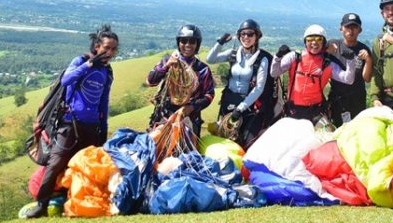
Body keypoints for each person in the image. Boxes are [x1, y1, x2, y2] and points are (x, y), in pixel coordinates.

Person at [25, 25, 118, 219]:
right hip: (69, 125)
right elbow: (67, 79)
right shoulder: (81, 61)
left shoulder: (107, 73)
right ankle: (41, 205)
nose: (110, 52)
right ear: (97, 46)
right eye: (107, 47)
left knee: (88, 167)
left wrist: (104, 129)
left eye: (114, 49)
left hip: (91, 127)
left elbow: (104, 101)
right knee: (55, 163)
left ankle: (82, 203)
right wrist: (89, 65)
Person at [206, 19, 274, 148]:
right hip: (229, 101)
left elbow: (259, 88)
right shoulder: (233, 54)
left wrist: (241, 108)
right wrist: (220, 43)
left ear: (257, 36)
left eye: (250, 34)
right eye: (243, 34)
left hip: (247, 106)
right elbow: (211, 59)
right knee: (223, 136)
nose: (246, 37)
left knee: (244, 141)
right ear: (238, 36)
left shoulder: (262, 59)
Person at [271, 24, 356, 124]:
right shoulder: (294, 57)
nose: (314, 42)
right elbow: (274, 73)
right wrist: (278, 56)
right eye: (310, 39)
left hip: (316, 113)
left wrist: (350, 61)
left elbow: (348, 79)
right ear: (305, 42)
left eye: (319, 39)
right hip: (293, 111)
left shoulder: (327, 64)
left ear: (323, 42)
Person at [146, 24, 215, 138]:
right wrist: (166, 67)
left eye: (192, 41)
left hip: (189, 118)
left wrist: (191, 107)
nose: (187, 45)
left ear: (197, 44)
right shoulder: (167, 61)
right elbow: (150, 81)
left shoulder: (202, 69)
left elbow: (209, 95)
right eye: (184, 41)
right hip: (164, 114)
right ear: (178, 43)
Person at [327, 13, 372, 127]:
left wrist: (368, 60)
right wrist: (326, 52)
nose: (350, 31)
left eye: (354, 27)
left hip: (357, 100)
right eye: (347, 27)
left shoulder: (364, 49)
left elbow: (367, 79)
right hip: (337, 100)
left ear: (360, 30)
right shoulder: (333, 45)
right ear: (341, 28)